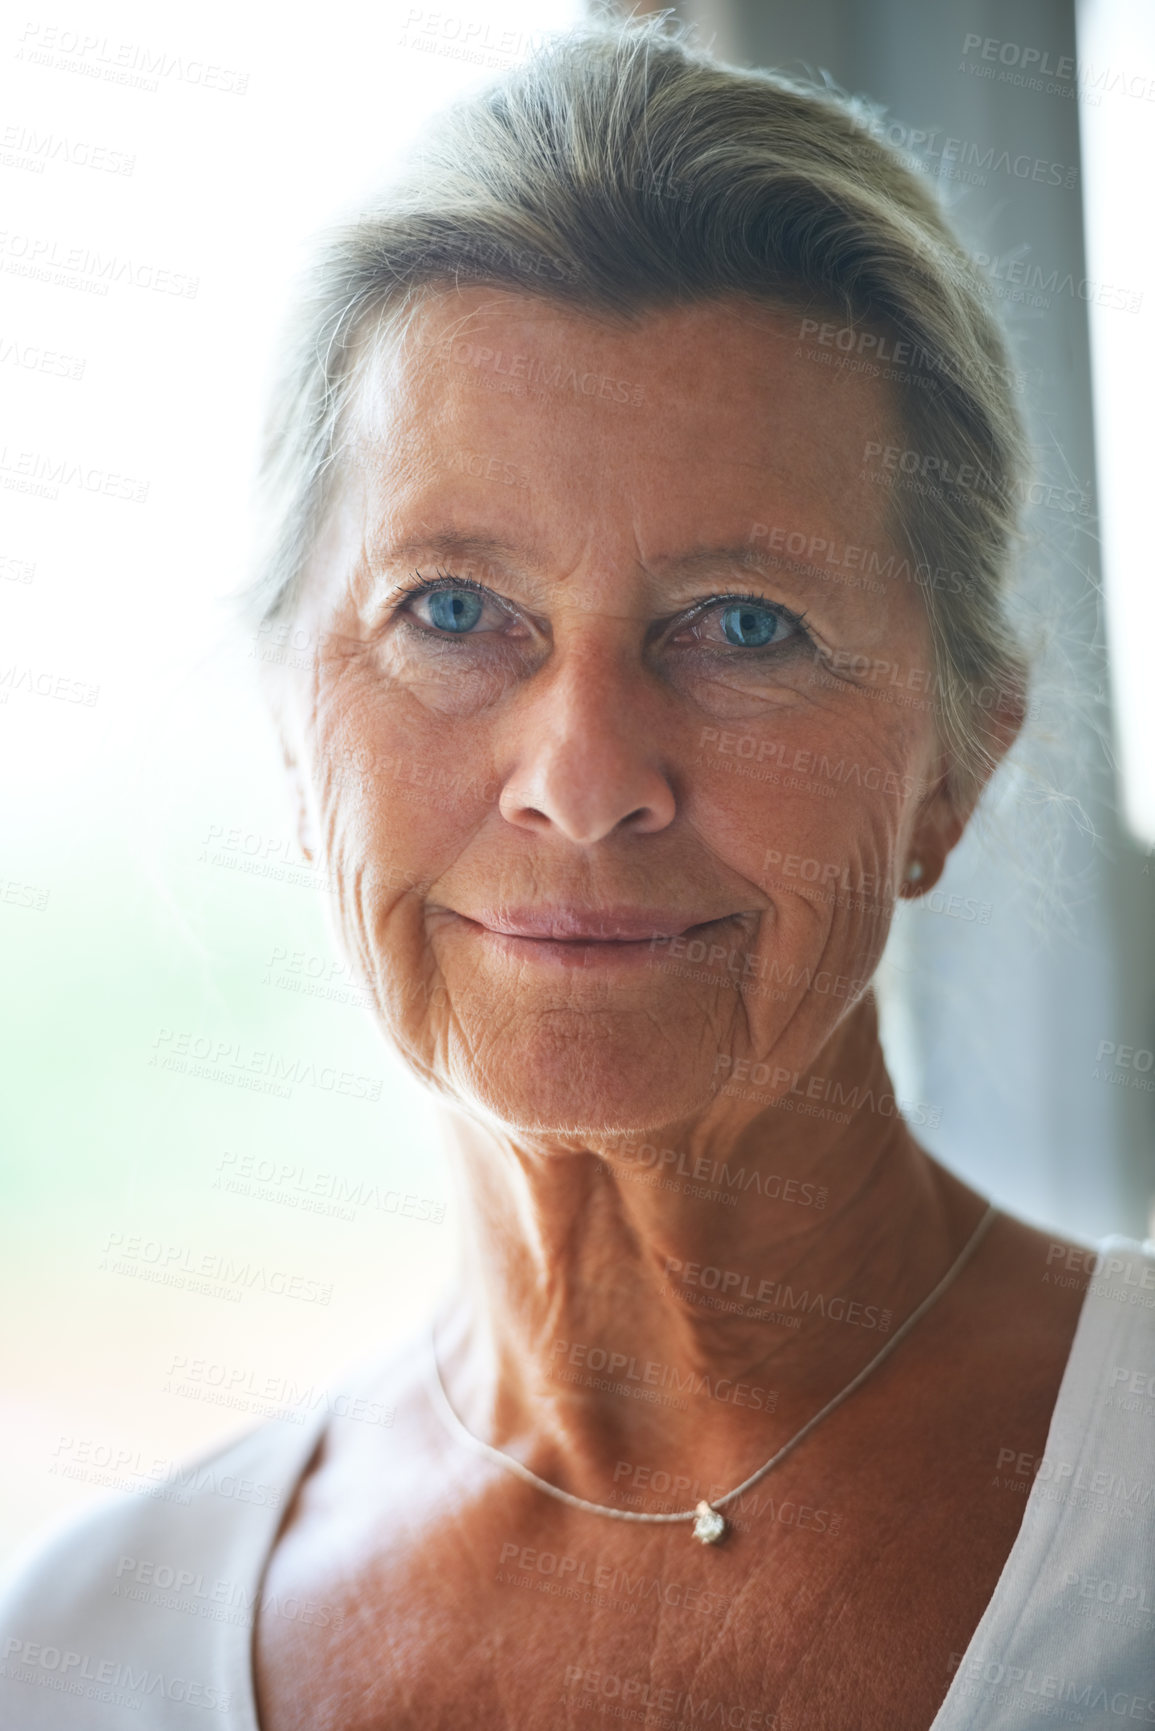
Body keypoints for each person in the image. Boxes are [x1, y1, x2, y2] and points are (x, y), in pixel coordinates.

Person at [2, 16, 1151, 1730]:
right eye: (453, 611)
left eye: (744, 624)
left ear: (960, 758)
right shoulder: (79, 1654)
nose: (588, 778)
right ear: (290, 722)